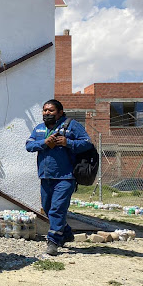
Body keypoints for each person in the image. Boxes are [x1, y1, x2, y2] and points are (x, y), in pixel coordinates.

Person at [26, 99, 92, 256]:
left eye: (51, 111)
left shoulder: (71, 126)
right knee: (48, 208)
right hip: (45, 176)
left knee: (57, 209)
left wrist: (67, 142)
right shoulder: (39, 129)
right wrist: (44, 143)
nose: (47, 113)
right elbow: (29, 145)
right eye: (45, 110)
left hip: (66, 177)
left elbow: (87, 143)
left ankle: (53, 242)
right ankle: (66, 233)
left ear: (60, 113)